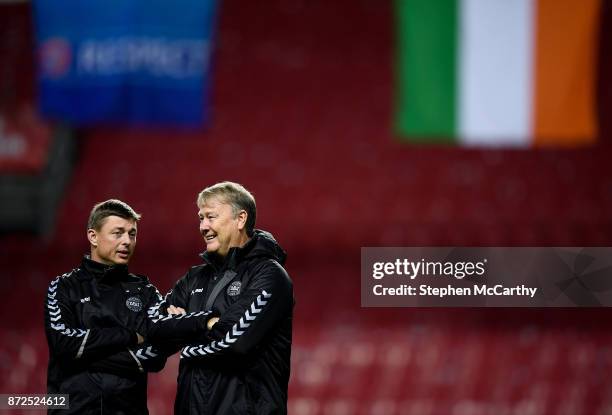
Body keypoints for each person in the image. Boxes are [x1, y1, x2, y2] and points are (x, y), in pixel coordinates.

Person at [146, 181, 294, 414]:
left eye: (211, 217)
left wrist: (183, 335)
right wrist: (204, 322)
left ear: (241, 219)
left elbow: (234, 342)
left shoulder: (269, 275)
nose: (203, 226)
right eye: (200, 218)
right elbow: (152, 328)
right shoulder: (193, 278)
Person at [44, 199, 167, 414]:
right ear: (93, 236)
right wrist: (129, 336)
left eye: (132, 234)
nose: (127, 241)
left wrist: (84, 356)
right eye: (117, 233)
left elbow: (156, 355)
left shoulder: (146, 292)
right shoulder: (63, 287)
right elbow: (63, 344)